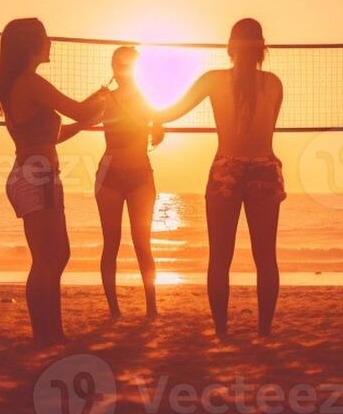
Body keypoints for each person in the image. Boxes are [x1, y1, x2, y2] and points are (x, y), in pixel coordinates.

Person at [154, 19, 284, 338]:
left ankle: (222, 332)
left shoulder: (214, 80)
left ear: (230, 46)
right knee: (266, 257)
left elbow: (171, 111)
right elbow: (268, 126)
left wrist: (147, 117)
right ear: (261, 48)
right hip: (264, 168)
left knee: (219, 257)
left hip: (227, 169)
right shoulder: (274, 83)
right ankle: (264, 331)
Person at [0, 18, 108, 347]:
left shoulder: (21, 84)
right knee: (47, 259)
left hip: (36, 172)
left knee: (58, 255)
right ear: (32, 44)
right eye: (46, 37)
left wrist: (92, 110)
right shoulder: (29, 82)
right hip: (36, 175)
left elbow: (55, 133)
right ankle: (46, 334)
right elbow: (77, 110)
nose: (51, 41)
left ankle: (50, 332)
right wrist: (101, 99)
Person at [62, 45, 163, 319]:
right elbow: (80, 117)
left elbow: (159, 128)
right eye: (117, 64)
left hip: (140, 175)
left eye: (125, 64)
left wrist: (156, 128)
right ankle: (114, 310)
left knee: (143, 244)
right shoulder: (107, 98)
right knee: (112, 243)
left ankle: (152, 308)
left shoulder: (146, 99)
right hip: (110, 175)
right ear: (113, 67)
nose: (120, 69)